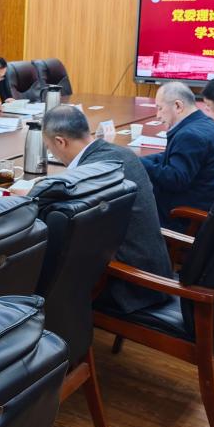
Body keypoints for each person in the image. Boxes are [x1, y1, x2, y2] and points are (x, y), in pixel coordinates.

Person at [42, 106, 172, 312]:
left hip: (130, 287)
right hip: (156, 271)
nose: (52, 153)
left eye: (49, 147)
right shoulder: (122, 154)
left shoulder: (89, 175)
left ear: (60, 142)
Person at [141, 82, 214, 230]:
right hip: (206, 203)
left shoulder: (190, 135)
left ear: (178, 106)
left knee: (128, 203)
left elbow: (174, 179)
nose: (157, 115)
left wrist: (139, 165)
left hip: (183, 218)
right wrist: (140, 160)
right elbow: (174, 157)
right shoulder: (208, 123)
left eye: (160, 108)